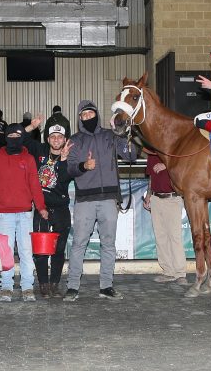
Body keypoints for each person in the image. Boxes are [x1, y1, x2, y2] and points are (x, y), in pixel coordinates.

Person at [64, 100, 137, 302]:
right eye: (83, 115)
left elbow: (131, 155)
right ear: (79, 118)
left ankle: (106, 286)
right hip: (85, 200)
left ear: (96, 114)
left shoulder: (110, 135)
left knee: (108, 244)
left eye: (90, 114)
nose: (88, 118)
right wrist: (83, 166)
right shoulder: (75, 140)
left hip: (108, 199)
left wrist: (123, 134)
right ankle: (72, 286)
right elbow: (70, 169)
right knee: (79, 244)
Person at [0, 123, 48, 303]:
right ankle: (7, 287)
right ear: (5, 137)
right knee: (6, 252)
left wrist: (41, 207)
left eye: (18, 135)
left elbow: (35, 185)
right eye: (11, 136)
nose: (14, 139)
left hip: (26, 213)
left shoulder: (29, 159)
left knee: (26, 251)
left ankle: (27, 287)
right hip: (3, 214)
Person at [24, 117, 73, 298]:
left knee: (59, 249)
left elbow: (64, 180)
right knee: (41, 249)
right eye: (52, 136)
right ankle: (43, 284)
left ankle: (54, 284)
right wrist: (32, 126)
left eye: (59, 137)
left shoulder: (68, 154)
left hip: (60, 208)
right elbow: (19, 138)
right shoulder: (39, 149)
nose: (56, 140)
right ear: (47, 138)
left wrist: (64, 160)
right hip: (41, 208)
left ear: (64, 139)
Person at [143, 152, 188, 285]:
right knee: (160, 236)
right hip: (156, 198)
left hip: (172, 198)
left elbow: (183, 168)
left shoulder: (172, 152)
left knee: (174, 236)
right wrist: (149, 195)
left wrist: (166, 166)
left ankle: (180, 273)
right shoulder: (151, 155)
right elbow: (151, 177)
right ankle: (168, 271)